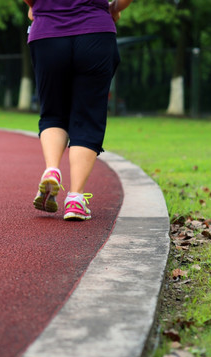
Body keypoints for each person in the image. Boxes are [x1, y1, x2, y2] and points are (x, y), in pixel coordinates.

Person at [25, 0, 133, 220]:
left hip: (48, 33)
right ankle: (75, 199)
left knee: (53, 113)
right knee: (88, 117)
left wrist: (34, 5)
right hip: (95, 32)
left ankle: (52, 170)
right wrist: (115, 8)